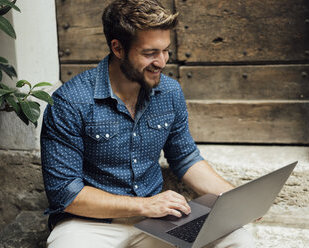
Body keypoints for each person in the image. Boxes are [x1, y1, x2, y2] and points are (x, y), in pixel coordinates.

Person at [41, 0, 255, 247]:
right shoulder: (70, 101)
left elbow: (185, 158)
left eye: (165, 50)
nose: (162, 62)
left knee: (237, 239)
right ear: (118, 48)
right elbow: (65, 193)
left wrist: (234, 198)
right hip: (89, 223)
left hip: (158, 219)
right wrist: (145, 204)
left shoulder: (170, 92)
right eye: (149, 53)